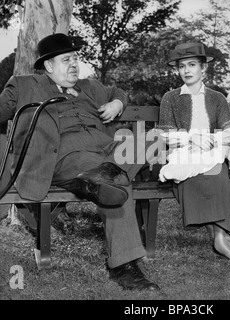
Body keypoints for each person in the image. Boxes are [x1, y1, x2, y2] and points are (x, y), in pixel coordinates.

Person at [0, 33, 161, 290]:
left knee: (155, 139)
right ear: (49, 66)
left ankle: (97, 178)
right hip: (65, 155)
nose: (74, 64)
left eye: (76, 58)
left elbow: (119, 91)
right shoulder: (24, 85)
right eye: (67, 59)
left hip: (105, 151)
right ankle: (124, 266)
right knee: (119, 180)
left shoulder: (91, 86)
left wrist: (117, 102)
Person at [158, 42, 230, 263]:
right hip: (184, 153)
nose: (186, 70)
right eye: (181, 66)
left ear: (203, 69)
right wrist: (191, 137)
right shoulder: (171, 98)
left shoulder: (216, 98)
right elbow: (165, 134)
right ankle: (222, 236)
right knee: (192, 176)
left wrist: (212, 139)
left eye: (191, 65)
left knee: (217, 173)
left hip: (212, 152)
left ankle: (219, 236)